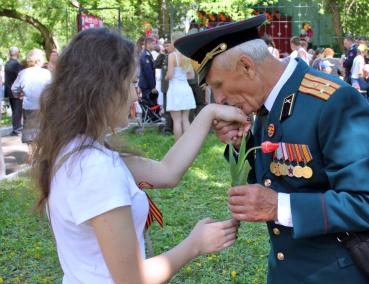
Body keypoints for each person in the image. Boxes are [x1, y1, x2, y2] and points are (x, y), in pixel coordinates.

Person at [174, 14, 369, 284]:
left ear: (246, 66)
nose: (217, 99)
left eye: (218, 86)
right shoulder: (267, 104)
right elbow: (272, 177)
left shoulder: (332, 101)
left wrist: (278, 206)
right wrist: (240, 145)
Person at [31, 28, 245, 284]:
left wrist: (209, 112)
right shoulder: (95, 168)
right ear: (102, 88)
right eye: (131, 83)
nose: (136, 93)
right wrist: (195, 245)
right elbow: (132, 279)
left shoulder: (78, 149)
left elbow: (167, 171)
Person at [11, 48, 51, 144]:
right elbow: (53, 89)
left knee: (30, 136)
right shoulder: (46, 73)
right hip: (44, 106)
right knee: (43, 134)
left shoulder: (23, 73)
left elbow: (14, 88)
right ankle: (42, 156)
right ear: (39, 60)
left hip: (29, 107)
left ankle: (31, 156)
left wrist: (19, 95)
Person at [165, 32, 196, 141]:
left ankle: (178, 146)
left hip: (175, 89)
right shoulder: (187, 55)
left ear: (174, 41)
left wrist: (166, 77)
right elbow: (191, 75)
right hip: (186, 88)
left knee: (176, 120)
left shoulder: (172, 56)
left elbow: (169, 75)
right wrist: (181, 77)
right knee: (185, 119)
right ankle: (187, 145)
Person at [154, 39, 173, 134]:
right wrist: (161, 54)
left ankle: (171, 128)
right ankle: (168, 128)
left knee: (173, 108)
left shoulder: (175, 56)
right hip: (165, 86)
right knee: (166, 109)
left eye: (168, 45)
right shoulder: (164, 56)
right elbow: (156, 65)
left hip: (173, 86)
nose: (166, 48)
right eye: (165, 46)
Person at [4, 46, 24, 136]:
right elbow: (21, 77)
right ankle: (17, 129)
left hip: (8, 90)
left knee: (14, 110)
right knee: (17, 110)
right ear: (17, 53)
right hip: (16, 91)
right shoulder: (16, 65)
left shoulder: (7, 63)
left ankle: (15, 128)